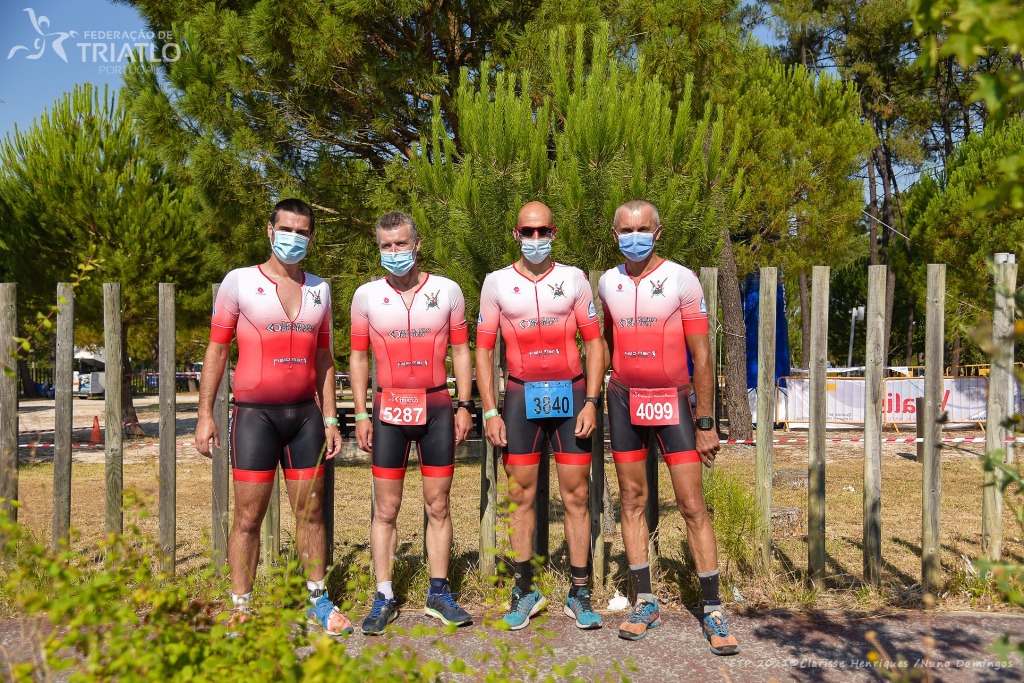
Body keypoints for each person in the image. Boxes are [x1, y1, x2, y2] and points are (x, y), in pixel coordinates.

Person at [194, 198, 350, 636]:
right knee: (247, 518)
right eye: (287, 229)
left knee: (312, 513)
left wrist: (332, 419)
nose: (294, 238)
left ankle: (317, 601)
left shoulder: (320, 289)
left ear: (311, 237)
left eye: (303, 232)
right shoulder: (239, 282)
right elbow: (218, 350)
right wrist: (205, 414)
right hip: (254, 418)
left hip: (305, 418)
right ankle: (242, 608)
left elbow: (324, 358)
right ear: (269, 230)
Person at [597, 199, 739, 654]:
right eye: (625, 230)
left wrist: (705, 422)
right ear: (614, 234)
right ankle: (645, 602)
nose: (633, 237)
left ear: (658, 233)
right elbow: (604, 339)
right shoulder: (607, 282)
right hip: (624, 399)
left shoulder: (681, 278)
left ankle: (713, 608)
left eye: (642, 229)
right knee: (633, 500)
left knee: (692, 503)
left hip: (674, 401)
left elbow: (701, 356)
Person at [476, 201, 606, 631]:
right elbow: (483, 349)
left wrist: (591, 400)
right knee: (521, 496)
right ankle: (524, 589)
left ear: (554, 232)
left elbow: (595, 342)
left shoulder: (574, 279)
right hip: (518, 397)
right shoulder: (495, 283)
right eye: (527, 232)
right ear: (516, 234)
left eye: (542, 231)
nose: (535, 239)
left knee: (576, 495)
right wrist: (491, 409)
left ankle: (579, 591)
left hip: (570, 395)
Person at [350, 211, 475, 635]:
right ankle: (383, 594)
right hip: (388, 410)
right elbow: (359, 356)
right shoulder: (365, 295)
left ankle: (438, 592)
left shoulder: (448, 290)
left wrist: (465, 405)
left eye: (401, 244)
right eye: (386, 245)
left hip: (437, 406)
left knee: (438, 504)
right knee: (386, 508)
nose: (394, 252)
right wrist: (361, 412)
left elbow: (461, 350)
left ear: (417, 244)